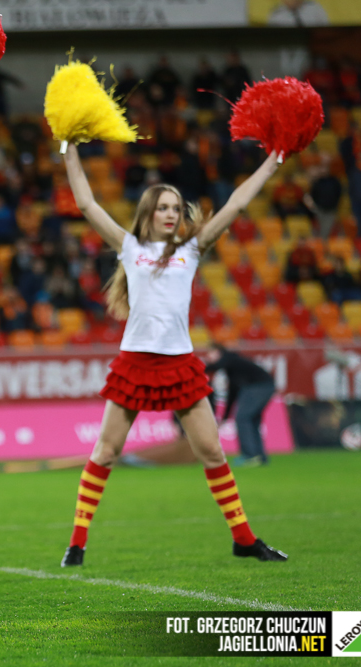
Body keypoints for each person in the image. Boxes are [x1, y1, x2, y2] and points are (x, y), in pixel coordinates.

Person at [59, 141, 286, 568]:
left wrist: (271, 164)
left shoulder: (191, 250)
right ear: (148, 213)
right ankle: (77, 543)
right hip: (135, 363)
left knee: (212, 452)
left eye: (176, 209)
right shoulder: (130, 248)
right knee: (105, 452)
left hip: (181, 364)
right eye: (163, 207)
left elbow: (236, 204)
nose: (171, 214)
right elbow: (87, 204)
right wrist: (69, 150)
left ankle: (244, 539)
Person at [204, 344, 276, 467]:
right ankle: (259, 456)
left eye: (210, 353)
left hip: (257, 387)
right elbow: (232, 393)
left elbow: (216, 366)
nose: (208, 357)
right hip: (265, 386)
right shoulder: (233, 367)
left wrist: (198, 369)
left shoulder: (229, 358)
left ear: (218, 352)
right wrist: (225, 417)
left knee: (243, 418)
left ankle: (250, 455)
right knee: (252, 419)